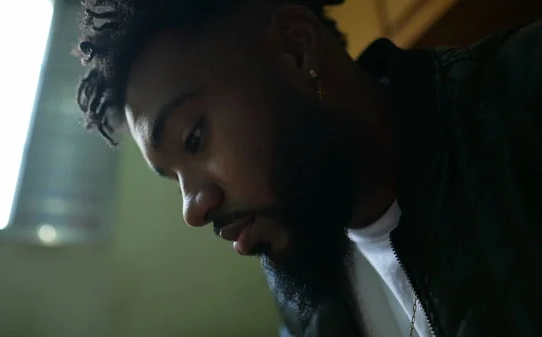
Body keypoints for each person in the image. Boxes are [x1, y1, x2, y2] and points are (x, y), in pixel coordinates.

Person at [73, 0, 542, 336]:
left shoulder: (523, 95)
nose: (193, 210)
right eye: (173, 178)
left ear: (298, 50)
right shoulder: (302, 280)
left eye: (194, 138)